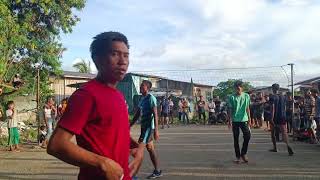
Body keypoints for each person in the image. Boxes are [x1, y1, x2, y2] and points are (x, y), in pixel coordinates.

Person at [47, 32, 144, 180]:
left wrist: (135, 147)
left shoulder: (117, 95)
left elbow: (112, 130)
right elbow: (56, 144)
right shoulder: (86, 95)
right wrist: (102, 163)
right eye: (114, 54)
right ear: (97, 59)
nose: (122, 61)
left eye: (126, 55)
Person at [131, 80, 162, 179]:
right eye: (140, 86)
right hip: (143, 128)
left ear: (148, 88)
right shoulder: (142, 99)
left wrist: (156, 130)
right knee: (150, 149)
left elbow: (155, 114)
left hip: (149, 128)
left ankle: (133, 175)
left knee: (138, 150)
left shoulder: (150, 98)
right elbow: (137, 114)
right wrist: (130, 124)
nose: (140, 87)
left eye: (142, 86)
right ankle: (157, 171)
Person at [227, 81, 251, 163]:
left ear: (242, 88)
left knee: (247, 136)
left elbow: (247, 108)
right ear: (234, 88)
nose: (238, 89)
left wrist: (249, 119)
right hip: (235, 120)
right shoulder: (231, 97)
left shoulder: (247, 96)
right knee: (236, 138)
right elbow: (230, 109)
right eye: (236, 88)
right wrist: (229, 120)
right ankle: (238, 157)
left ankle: (243, 153)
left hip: (244, 119)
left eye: (239, 87)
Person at [269, 83, 294, 155]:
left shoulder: (272, 97)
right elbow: (285, 107)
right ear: (278, 88)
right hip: (282, 116)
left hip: (275, 117)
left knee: (273, 133)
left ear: (273, 89)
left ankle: (275, 148)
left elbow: (272, 108)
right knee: (284, 132)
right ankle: (288, 145)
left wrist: (271, 118)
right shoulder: (283, 97)